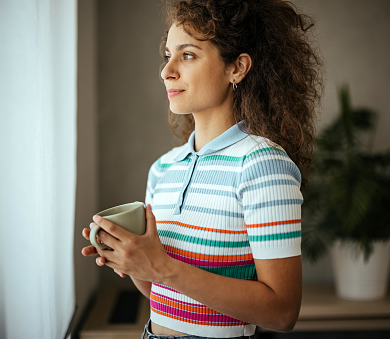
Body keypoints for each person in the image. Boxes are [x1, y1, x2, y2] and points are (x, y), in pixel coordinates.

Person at [82, 0, 322, 338]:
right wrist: (132, 261)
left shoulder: (263, 165)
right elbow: (163, 293)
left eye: (188, 55)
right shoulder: (163, 169)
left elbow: (282, 312)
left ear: (237, 68)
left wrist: (162, 267)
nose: (167, 71)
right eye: (168, 55)